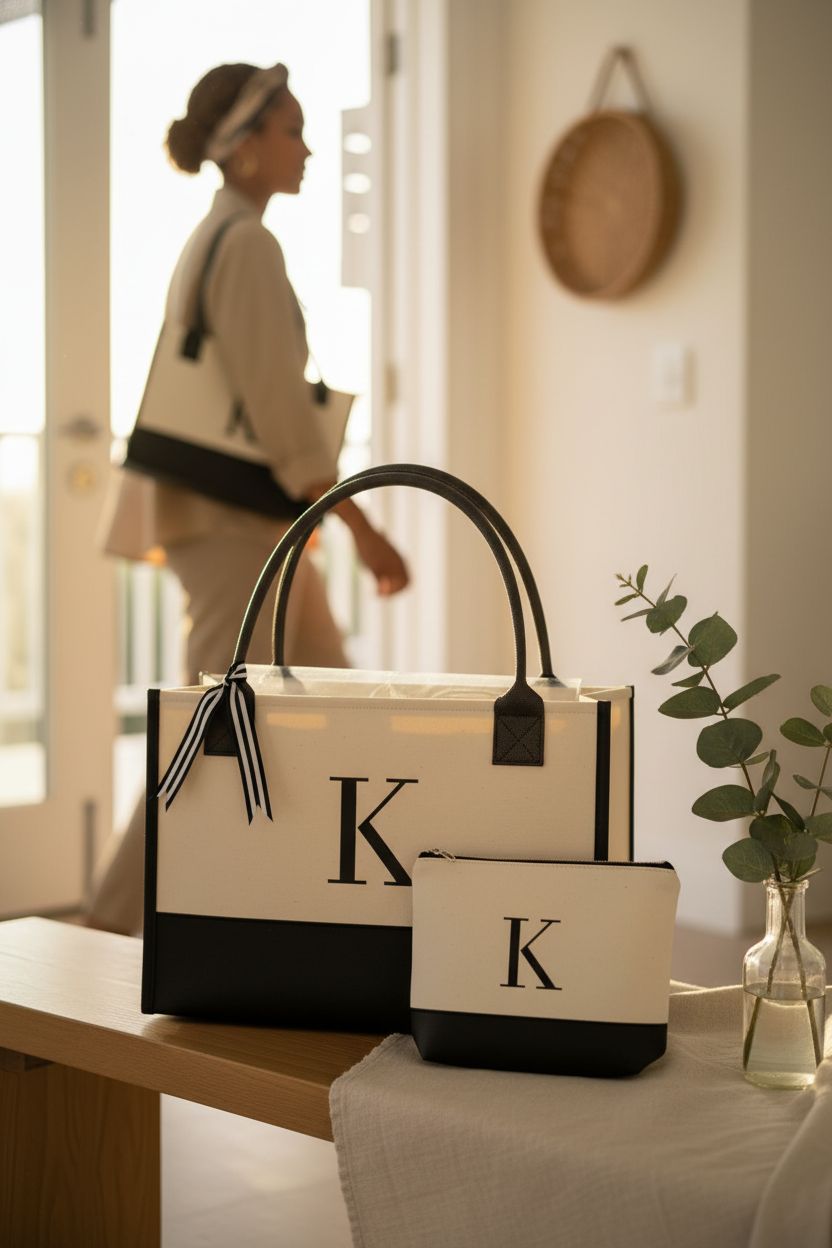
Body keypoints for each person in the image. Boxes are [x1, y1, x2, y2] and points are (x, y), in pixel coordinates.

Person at [86, 61, 408, 934]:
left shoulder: (221, 236)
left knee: (338, 704)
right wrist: (365, 530)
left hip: (251, 528)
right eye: (292, 130)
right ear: (246, 146)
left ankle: (355, 912)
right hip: (235, 529)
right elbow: (282, 419)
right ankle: (100, 936)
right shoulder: (247, 245)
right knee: (204, 737)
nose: (307, 148)